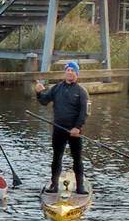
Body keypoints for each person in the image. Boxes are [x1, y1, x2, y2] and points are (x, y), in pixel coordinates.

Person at [34, 61, 89, 194]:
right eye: (68, 70)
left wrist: (77, 127)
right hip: (59, 129)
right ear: (65, 73)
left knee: (77, 158)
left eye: (72, 71)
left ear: (77, 74)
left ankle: (80, 187)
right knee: (56, 157)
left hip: (74, 131)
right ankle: (54, 185)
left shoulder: (81, 91)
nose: (69, 72)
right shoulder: (57, 88)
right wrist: (39, 93)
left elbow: (85, 112)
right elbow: (44, 101)